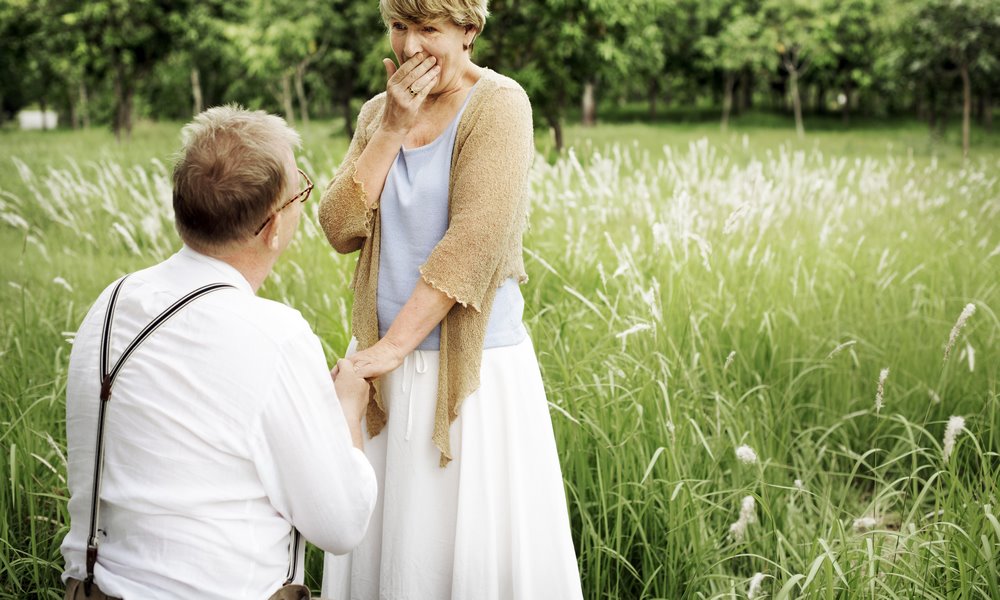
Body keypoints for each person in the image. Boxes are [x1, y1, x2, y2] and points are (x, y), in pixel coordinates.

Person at [317, 1, 583, 597]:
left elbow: (475, 242)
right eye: (399, 28)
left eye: (428, 30)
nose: (410, 48)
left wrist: (389, 349)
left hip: (468, 372)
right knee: (390, 545)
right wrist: (389, 129)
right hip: (381, 366)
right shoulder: (376, 114)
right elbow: (339, 228)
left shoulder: (500, 104)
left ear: (468, 32)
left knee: (455, 545)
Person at [60, 106, 377, 600]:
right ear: (273, 227)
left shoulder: (111, 301)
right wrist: (347, 412)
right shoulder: (276, 335)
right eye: (301, 191)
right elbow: (341, 525)